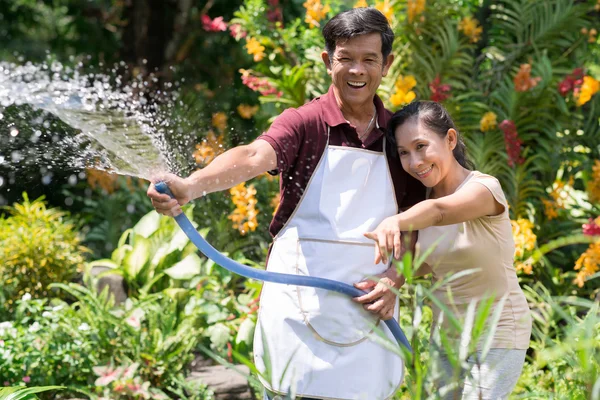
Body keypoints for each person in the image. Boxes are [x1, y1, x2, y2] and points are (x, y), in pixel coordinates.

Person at [147, 8, 425, 400]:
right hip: (299, 301)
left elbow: (415, 226)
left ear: (387, 64)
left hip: (370, 306)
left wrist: (393, 281)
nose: (357, 70)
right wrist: (191, 185)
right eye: (346, 59)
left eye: (369, 59)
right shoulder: (305, 122)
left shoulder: (400, 138)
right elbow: (252, 156)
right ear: (329, 62)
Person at [360, 101, 532, 400]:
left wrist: (393, 222)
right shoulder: (418, 210)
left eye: (421, 146)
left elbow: (440, 212)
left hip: (497, 333)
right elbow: (409, 264)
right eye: (404, 152)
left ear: (450, 140)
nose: (414, 162)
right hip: (446, 340)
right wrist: (387, 283)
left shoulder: (483, 189)